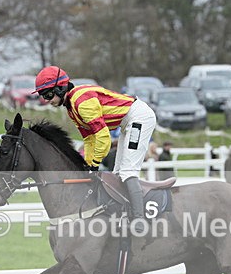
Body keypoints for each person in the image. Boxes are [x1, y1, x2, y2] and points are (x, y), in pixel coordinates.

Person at [33, 65, 157, 232]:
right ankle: (127, 215)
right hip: (128, 121)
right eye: (43, 96)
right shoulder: (71, 108)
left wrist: (94, 164)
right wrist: (88, 165)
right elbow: (89, 139)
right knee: (118, 173)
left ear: (60, 88)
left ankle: (139, 219)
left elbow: (103, 137)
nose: (47, 100)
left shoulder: (81, 103)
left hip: (139, 117)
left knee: (128, 172)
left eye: (48, 95)